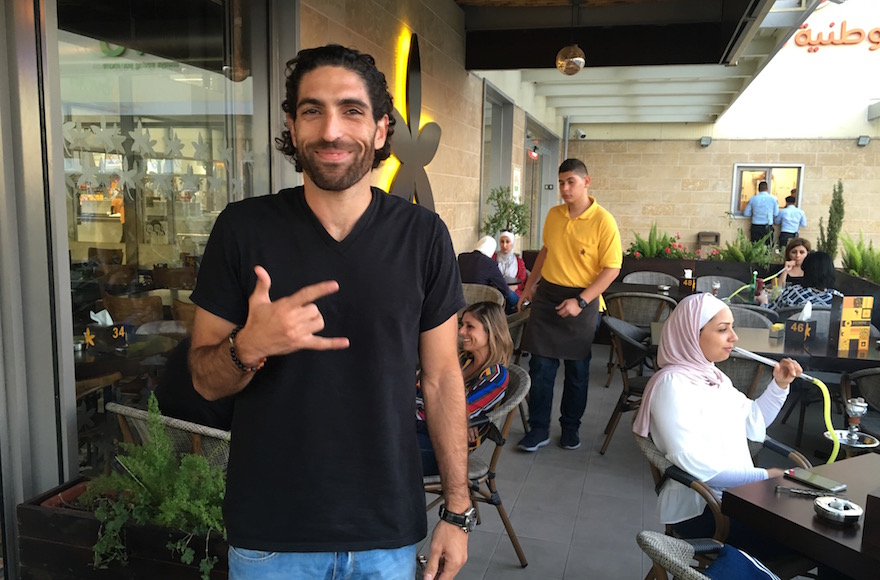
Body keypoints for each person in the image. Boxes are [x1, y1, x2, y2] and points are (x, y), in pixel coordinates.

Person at [188, 45, 470, 580]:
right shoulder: (243, 229)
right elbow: (204, 381)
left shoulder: (423, 237)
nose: (332, 130)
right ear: (293, 128)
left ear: (382, 129)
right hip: (271, 536)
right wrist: (248, 347)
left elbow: (440, 379)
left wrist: (457, 510)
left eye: (352, 110)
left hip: (385, 532)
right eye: (312, 111)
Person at [632, 293, 801, 557]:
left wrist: (779, 385)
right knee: (814, 542)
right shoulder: (672, 385)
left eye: (731, 328)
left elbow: (754, 421)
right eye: (723, 330)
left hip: (740, 497)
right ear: (691, 335)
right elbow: (695, 464)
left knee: (826, 533)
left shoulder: (714, 376)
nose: (734, 337)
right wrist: (763, 477)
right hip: (704, 509)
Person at [516, 158, 622, 452]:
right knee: (540, 367)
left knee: (577, 370)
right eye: (561, 182)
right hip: (548, 296)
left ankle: (570, 427)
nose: (564, 188)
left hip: (583, 299)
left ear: (586, 182)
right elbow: (547, 252)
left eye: (570, 182)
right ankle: (538, 429)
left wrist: (580, 301)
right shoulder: (554, 214)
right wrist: (529, 286)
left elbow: (611, 269)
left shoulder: (604, 221)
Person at [416, 301, 513, 476]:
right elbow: (419, 387)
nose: (461, 331)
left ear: (490, 332)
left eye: (470, 326)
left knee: (380, 453)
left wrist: (459, 416)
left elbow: (456, 413)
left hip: (448, 451)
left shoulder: (496, 376)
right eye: (462, 324)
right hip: (422, 429)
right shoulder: (461, 359)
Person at [758, 250, 842, 311]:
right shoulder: (839, 299)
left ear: (806, 271)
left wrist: (763, 301)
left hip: (790, 334)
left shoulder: (793, 293)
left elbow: (769, 313)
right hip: (827, 335)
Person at [458, 235, 520, 313]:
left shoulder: (462, 257)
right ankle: (521, 306)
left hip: (461, 299)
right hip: (481, 300)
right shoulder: (490, 263)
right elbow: (504, 288)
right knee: (509, 293)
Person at [743, 181, 778, 246]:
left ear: (758, 189)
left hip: (756, 226)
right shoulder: (773, 199)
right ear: (767, 188)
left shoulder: (753, 199)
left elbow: (746, 213)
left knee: (755, 247)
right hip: (767, 226)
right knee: (767, 248)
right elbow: (776, 213)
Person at [493, 230, 527, 296]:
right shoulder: (493, 258)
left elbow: (522, 279)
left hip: (513, 291)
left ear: (512, 243)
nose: (504, 245)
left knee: (509, 295)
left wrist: (516, 287)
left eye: (507, 242)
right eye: (502, 242)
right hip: (496, 289)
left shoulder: (519, 262)